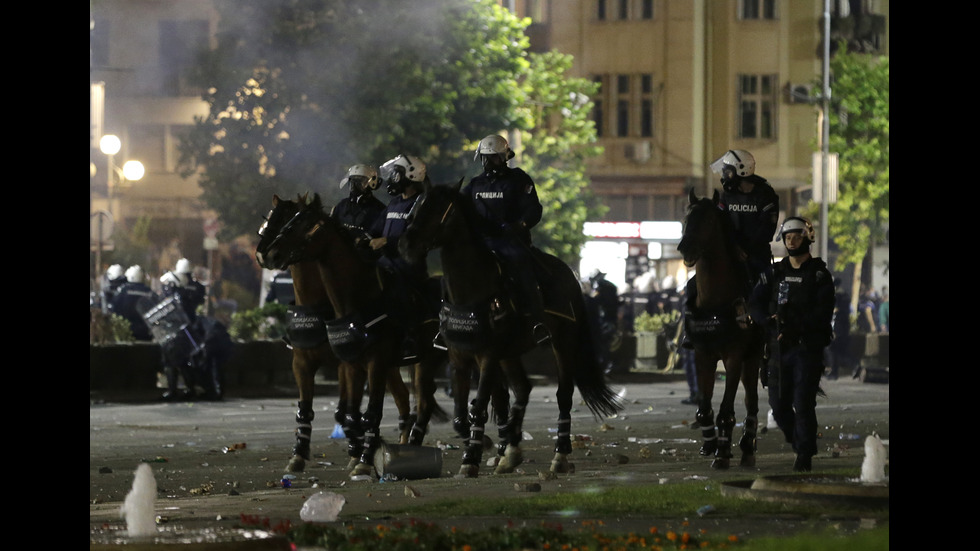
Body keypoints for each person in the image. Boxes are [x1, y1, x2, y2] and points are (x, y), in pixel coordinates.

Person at [752, 216, 835, 472]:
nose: (791, 241)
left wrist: (794, 325)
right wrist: (767, 321)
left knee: (803, 401)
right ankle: (798, 441)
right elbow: (754, 302)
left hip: (806, 348)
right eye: (787, 237)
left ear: (807, 237)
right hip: (778, 349)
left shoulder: (819, 275)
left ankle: (804, 455)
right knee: (778, 407)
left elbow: (822, 313)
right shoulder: (774, 273)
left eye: (796, 236)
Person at [463, 133, 549, 344]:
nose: (489, 162)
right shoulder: (474, 185)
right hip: (482, 244)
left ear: (505, 157)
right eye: (486, 158)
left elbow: (533, 209)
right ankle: (450, 322)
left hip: (510, 243)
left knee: (522, 269)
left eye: (494, 158)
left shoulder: (519, 179)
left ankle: (538, 322)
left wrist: (520, 226)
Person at [370, 154, 437, 355]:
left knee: (399, 289)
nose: (391, 178)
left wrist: (387, 241)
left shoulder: (421, 204)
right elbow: (375, 229)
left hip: (408, 264)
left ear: (410, 177)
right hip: (385, 260)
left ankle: (411, 336)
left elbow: (417, 236)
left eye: (395, 174)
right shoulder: (394, 203)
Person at [712, 149, 780, 291]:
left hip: (756, 255)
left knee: (765, 289)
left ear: (741, 170)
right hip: (730, 252)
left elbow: (766, 230)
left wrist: (746, 250)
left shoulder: (765, 195)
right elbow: (721, 223)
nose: (725, 175)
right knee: (695, 285)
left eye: (727, 171)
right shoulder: (727, 195)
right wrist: (733, 247)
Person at [159, 258, 209, 401]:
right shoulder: (196, 287)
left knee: (169, 360)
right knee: (186, 359)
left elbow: (164, 302)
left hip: (173, 327)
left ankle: (173, 390)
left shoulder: (173, 287)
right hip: (190, 327)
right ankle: (190, 388)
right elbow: (200, 301)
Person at [330, 163, 386, 258]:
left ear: (372, 183)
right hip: (338, 254)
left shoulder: (379, 209)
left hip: (364, 258)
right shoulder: (342, 205)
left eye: (360, 181)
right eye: (352, 181)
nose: (354, 185)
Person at [110, 265, 158, 341]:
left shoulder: (123, 291)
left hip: (126, 333)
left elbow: (115, 310)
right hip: (146, 333)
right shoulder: (149, 292)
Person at [825, 278, 851, 380]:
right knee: (839, 351)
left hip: (838, 328)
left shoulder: (837, 297)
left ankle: (853, 366)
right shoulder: (845, 295)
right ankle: (853, 367)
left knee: (833, 350)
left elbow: (835, 312)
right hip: (843, 327)